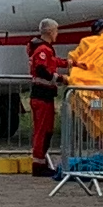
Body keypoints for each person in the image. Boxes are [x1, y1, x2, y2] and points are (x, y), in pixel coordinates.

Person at [27, 18, 73, 176]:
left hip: (43, 96)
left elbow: (52, 62)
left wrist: (70, 63)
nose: (57, 34)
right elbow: (42, 70)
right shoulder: (43, 50)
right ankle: (38, 165)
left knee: (45, 130)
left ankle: (40, 162)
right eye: (56, 31)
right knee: (42, 131)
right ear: (49, 32)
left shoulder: (45, 49)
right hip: (42, 96)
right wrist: (61, 79)